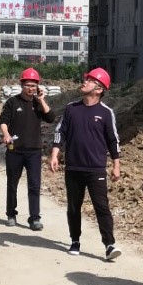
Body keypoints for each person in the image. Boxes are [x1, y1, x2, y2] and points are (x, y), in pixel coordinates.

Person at [49, 67, 122, 260]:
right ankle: (75, 240)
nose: (85, 82)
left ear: (99, 89)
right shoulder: (71, 108)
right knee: (74, 207)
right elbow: (60, 131)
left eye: (90, 80)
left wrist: (116, 165)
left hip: (96, 169)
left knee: (102, 207)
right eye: (86, 79)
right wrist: (55, 154)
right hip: (73, 167)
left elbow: (113, 140)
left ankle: (109, 245)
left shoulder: (106, 113)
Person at [0, 67, 53, 231]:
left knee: (34, 186)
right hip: (15, 150)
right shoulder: (12, 102)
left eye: (33, 85)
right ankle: (11, 214)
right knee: (12, 184)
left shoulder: (38, 103)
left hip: (34, 151)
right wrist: (6, 134)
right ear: (22, 85)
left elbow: (51, 118)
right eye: (28, 85)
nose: (31, 88)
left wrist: (42, 100)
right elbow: (3, 121)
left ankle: (35, 218)